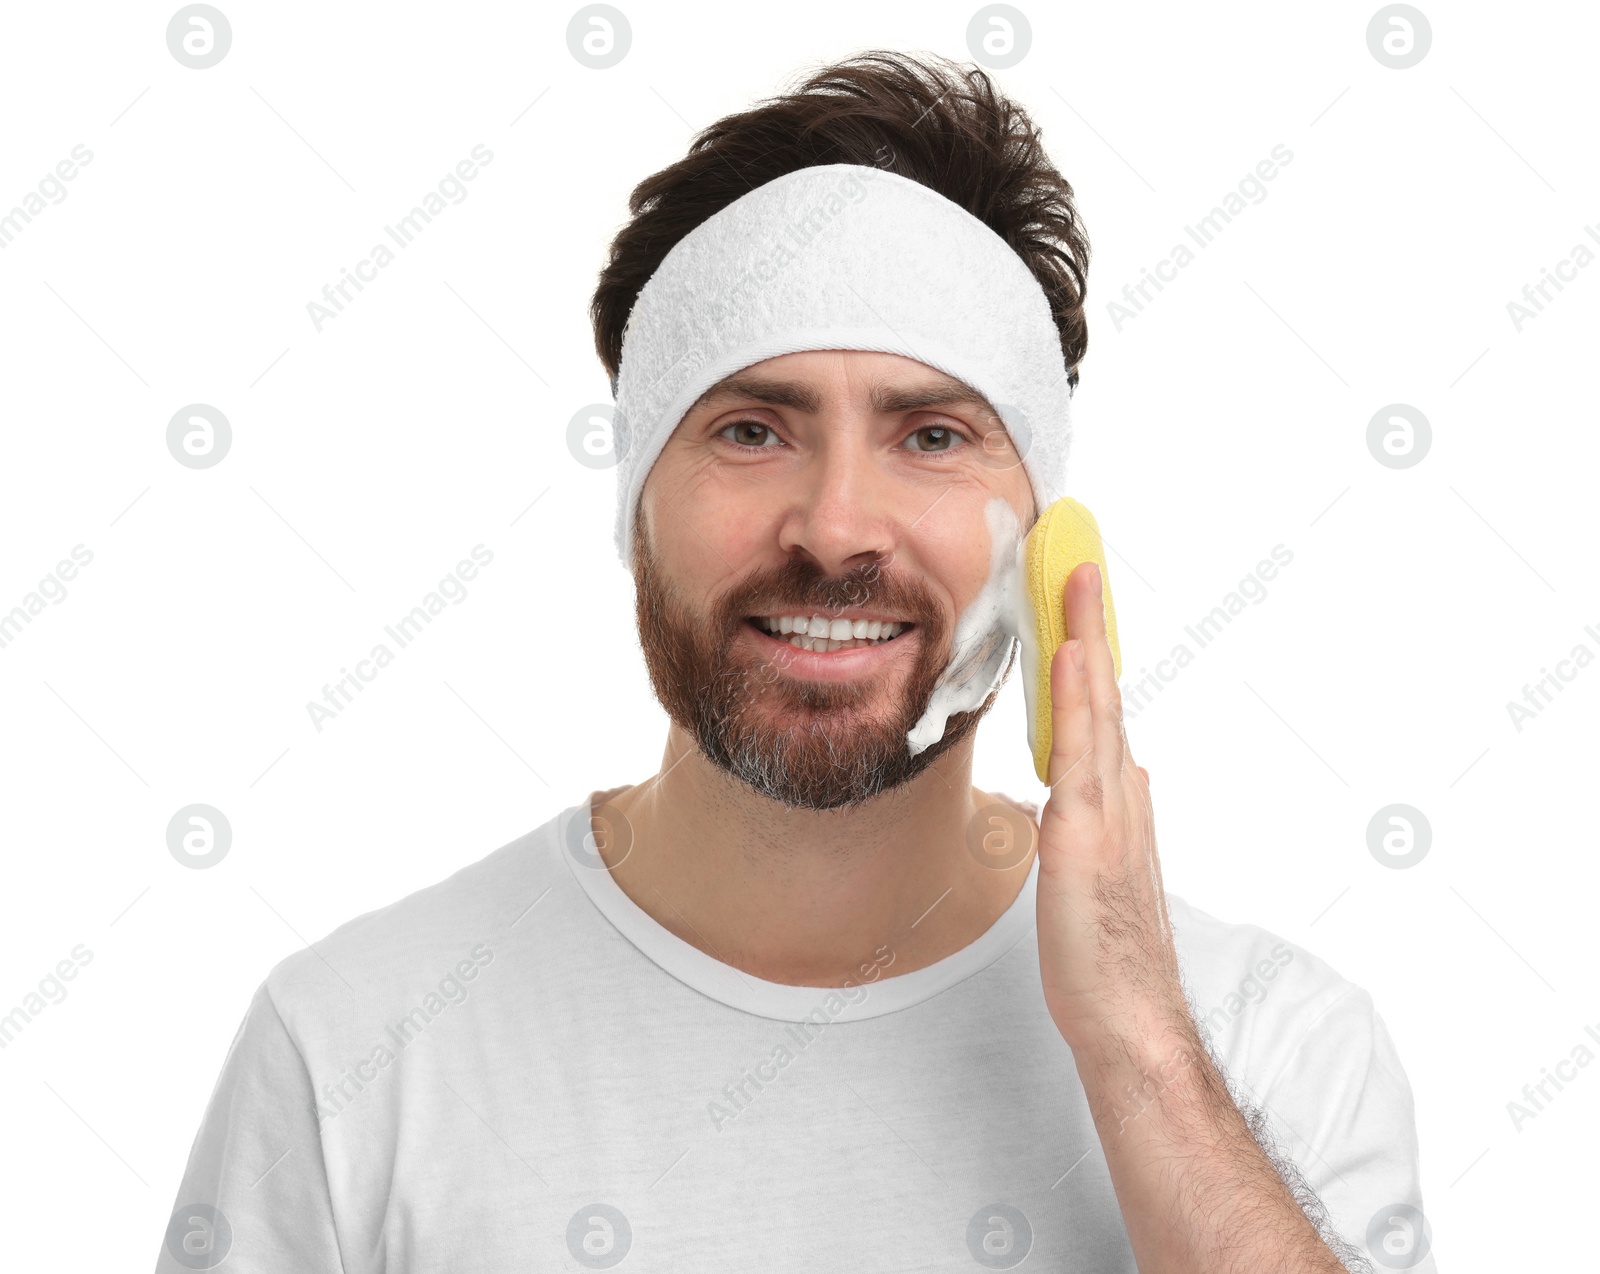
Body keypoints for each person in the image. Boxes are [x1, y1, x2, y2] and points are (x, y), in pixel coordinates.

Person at [157, 51, 1434, 1273]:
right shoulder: (351, 1050)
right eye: (753, 427)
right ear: (634, 502)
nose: (834, 528)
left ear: (1046, 537)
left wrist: (1142, 1051)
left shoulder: (1271, 1045)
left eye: (931, 434)